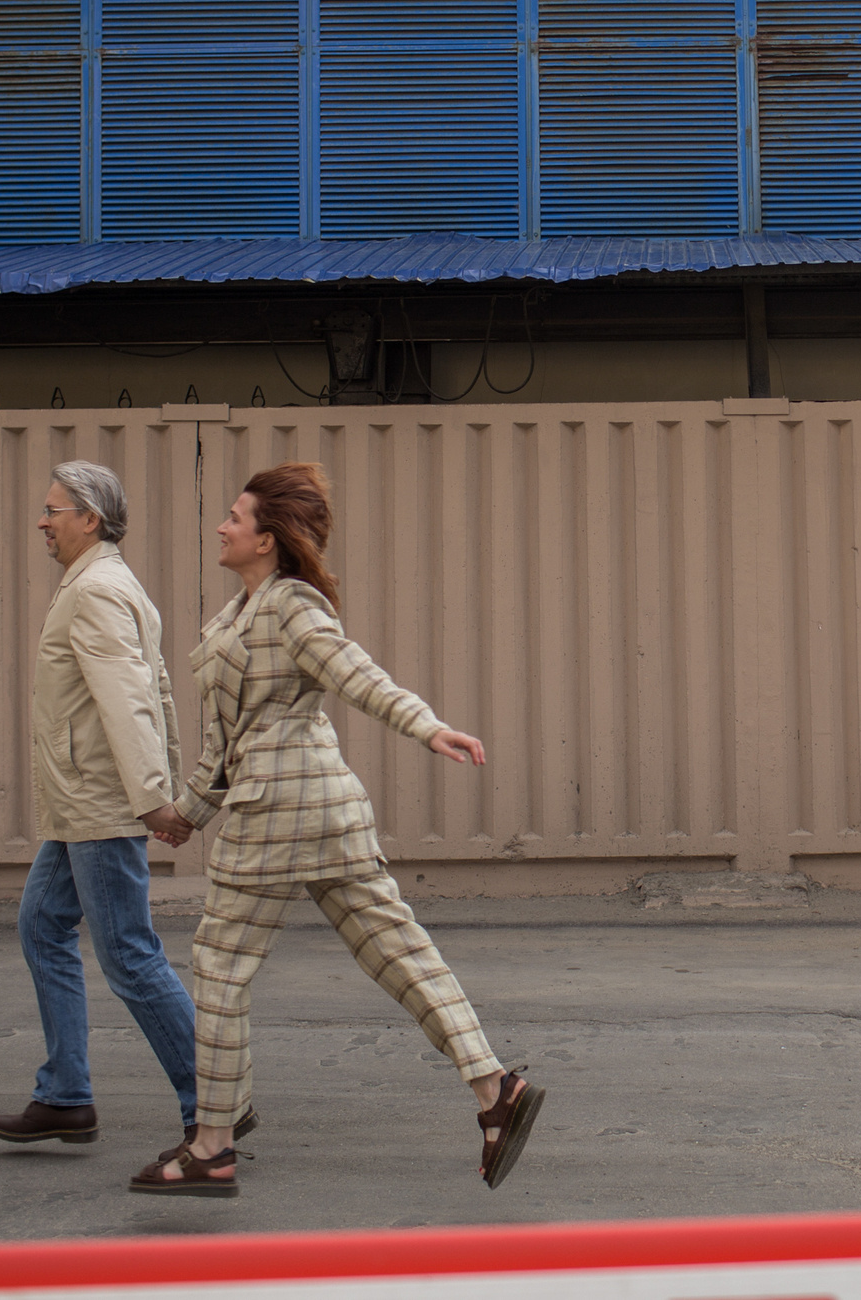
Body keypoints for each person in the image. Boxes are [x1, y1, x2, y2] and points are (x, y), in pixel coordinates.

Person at [130, 461, 543, 1199]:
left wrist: (429, 727)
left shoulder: (291, 606)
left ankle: (213, 1143)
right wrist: (186, 814)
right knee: (398, 949)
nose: (221, 526)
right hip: (327, 811)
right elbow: (226, 740)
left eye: (234, 516)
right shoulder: (238, 614)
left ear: (266, 539)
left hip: (276, 814)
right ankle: (495, 1088)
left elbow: (359, 674)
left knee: (220, 967)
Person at [0, 462, 234, 1152]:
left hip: (98, 800)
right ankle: (65, 1094)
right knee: (42, 924)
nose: (43, 520)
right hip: (82, 801)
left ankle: (213, 1103)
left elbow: (130, 701)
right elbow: (155, 693)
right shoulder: (104, 583)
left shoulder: (95, 590)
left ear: (89, 518)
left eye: (54, 509)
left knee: (129, 955)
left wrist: (154, 797)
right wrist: (158, 787)